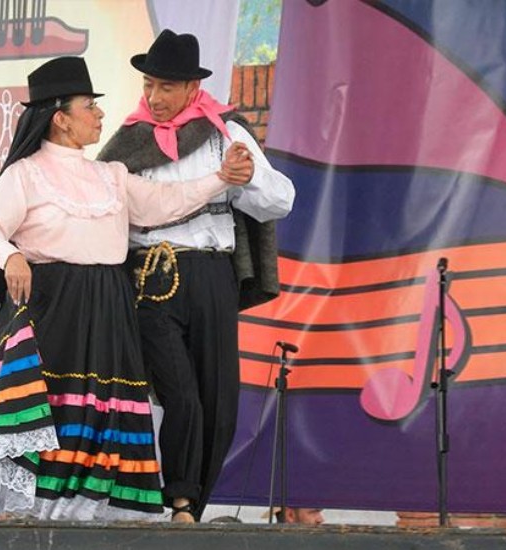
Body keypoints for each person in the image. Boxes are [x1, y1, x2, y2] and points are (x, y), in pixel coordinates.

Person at [0, 56, 253, 521]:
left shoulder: (108, 174)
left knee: (99, 407)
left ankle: (74, 512)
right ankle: (25, 515)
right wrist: (10, 256)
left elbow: (160, 204)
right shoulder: (25, 173)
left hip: (108, 303)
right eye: (90, 106)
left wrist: (219, 179)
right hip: (52, 306)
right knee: (44, 407)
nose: (100, 115)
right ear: (61, 118)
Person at [98, 29, 296, 523]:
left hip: (211, 274)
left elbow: (282, 201)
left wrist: (247, 178)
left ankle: (192, 511)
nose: (154, 98)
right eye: (148, 85)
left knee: (217, 400)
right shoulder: (127, 140)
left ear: (191, 87)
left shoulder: (227, 133)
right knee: (179, 394)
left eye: (166, 87)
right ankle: (179, 500)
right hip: (149, 275)